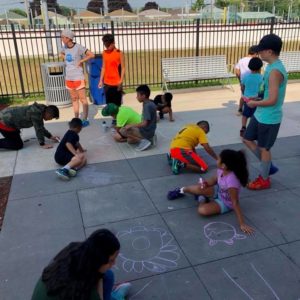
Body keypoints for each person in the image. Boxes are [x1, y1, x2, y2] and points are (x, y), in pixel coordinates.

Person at [167, 149, 254, 235]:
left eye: (219, 159)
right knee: (198, 188)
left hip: (225, 203)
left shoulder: (232, 181)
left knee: (202, 210)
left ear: (224, 165)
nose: (217, 160)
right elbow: (213, 180)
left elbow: (235, 202)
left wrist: (242, 223)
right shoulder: (221, 170)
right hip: (218, 191)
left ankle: (202, 199)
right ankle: (181, 190)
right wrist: (205, 184)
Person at [31, 229, 131, 300]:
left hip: (50, 290)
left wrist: (99, 274)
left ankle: (110, 296)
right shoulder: (85, 291)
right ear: (98, 261)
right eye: (111, 260)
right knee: (107, 276)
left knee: (108, 275)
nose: (114, 263)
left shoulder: (76, 249)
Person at [244, 34, 287, 190]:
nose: (258, 53)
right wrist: (255, 97)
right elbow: (267, 94)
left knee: (264, 148)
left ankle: (264, 178)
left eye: (261, 50)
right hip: (260, 114)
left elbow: (273, 100)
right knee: (247, 139)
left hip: (269, 117)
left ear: (269, 51)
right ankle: (266, 165)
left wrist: (254, 103)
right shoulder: (269, 67)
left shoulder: (276, 72)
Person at [60, 29, 94, 127]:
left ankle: (85, 119)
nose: (61, 39)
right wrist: (64, 56)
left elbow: (91, 55)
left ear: (68, 38)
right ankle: (76, 118)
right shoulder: (64, 47)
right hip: (69, 78)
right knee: (74, 99)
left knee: (83, 99)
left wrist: (81, 61)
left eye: (63, 37)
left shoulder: (78, 47)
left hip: (78, 77)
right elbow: (61, 54)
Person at [98, 34, 125, 126]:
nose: (107, 47)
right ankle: (114, 119)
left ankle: (119, 119)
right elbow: (103, 67)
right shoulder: (104, 53)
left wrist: (121, 82)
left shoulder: (119, 53)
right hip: (107, 83)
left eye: (108, 45)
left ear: (113, 42)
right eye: (105, 45)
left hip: (117, 83)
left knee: (117, 104)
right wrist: (101, 80)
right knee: (110, 104)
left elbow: (123, 68)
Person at [122, 85, 157, 151]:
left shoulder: (147, 106)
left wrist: (131, 125)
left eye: (138, 95)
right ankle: (150, 138)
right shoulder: (150, 102)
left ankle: (145, 141)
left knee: (123, 130)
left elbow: (144, 124)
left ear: (143, 96)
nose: (136, 97)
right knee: (130, 141)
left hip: (146, 131)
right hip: (150, 130)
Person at [239, 57, 263, 137]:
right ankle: (252, 130)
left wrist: (244, 94)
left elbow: (242, 87)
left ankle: (243, 127)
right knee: (255, 116)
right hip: (257, 100)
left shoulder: (246, 77)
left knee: (245, 114)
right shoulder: (261, 78)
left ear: (249, 66)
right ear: (260, 67)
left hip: (247, 99)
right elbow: (262, 89)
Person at [235, 45, 258, 115]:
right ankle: (252, 109)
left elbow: (237, 71)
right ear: (255, 53)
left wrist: (240, 80)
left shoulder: (241, 60)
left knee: (243, 96)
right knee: (254, 95)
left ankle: (240, 109)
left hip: (244, 82)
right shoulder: (254, 60)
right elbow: (258, 71)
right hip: (253, 81)